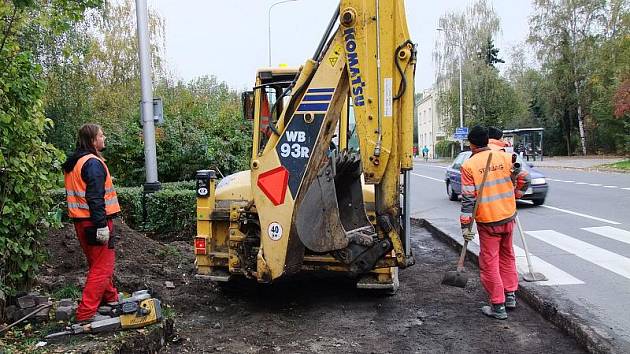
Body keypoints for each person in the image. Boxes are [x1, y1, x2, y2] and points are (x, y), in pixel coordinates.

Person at [459, 126, 530, 320]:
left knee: (489, 261)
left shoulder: (469, 166)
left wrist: (465, 226)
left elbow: (468, 199)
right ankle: (510, 295)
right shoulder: (506, 157)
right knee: (507, 256)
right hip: (508, 216)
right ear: (487, 140)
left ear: (471, 143)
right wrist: (516, 195)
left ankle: (498, 305)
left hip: (488, 221)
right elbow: (525, 178)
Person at [63, 123, 121, 323]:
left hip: (81, 222)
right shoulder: (92, 163)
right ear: (92, 140)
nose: (104, 138)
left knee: (97, 264)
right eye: (101, 135)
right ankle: (86, 313)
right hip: (95, 221)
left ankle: (110, 298)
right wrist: (102, 225)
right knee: (103, 267)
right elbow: (95, 198)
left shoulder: (75, 162)